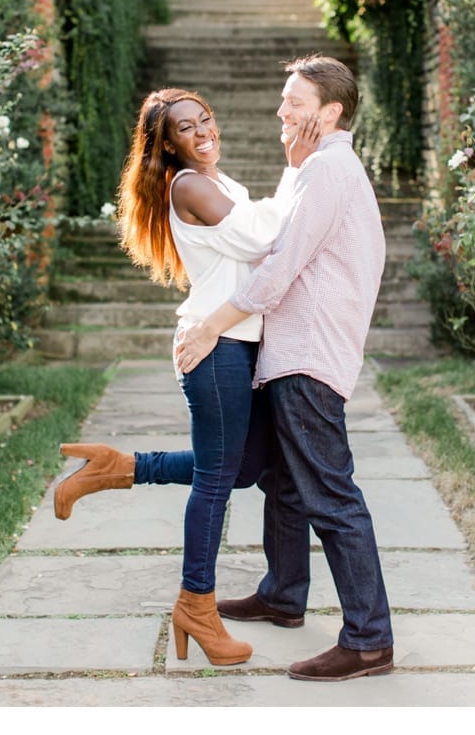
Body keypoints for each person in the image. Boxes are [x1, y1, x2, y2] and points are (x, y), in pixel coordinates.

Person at [52, 87, 319, 666]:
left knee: (243, 468)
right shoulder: (188, 184)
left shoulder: (215, 183)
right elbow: (262, 238)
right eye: (185, 128)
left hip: (233, 343)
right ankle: (196, 605)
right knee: (217, 482)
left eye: (206, 120)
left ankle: (119, 467)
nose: (203, 133)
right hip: (215, 348)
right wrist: (297, 172)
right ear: (165, 144)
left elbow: (256, 237)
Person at [174, 54, 395, 683]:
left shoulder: (329, 169)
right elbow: (277, 234)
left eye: (294, 103)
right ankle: (282, 593)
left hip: (307, 352)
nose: (281, 111)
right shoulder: (316, 167)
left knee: (330, 493)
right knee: (283, 480)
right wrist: (293, 167)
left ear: (329, 113)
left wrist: (213, 323)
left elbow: (279, 261)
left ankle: (369, 639)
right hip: (293, 350)